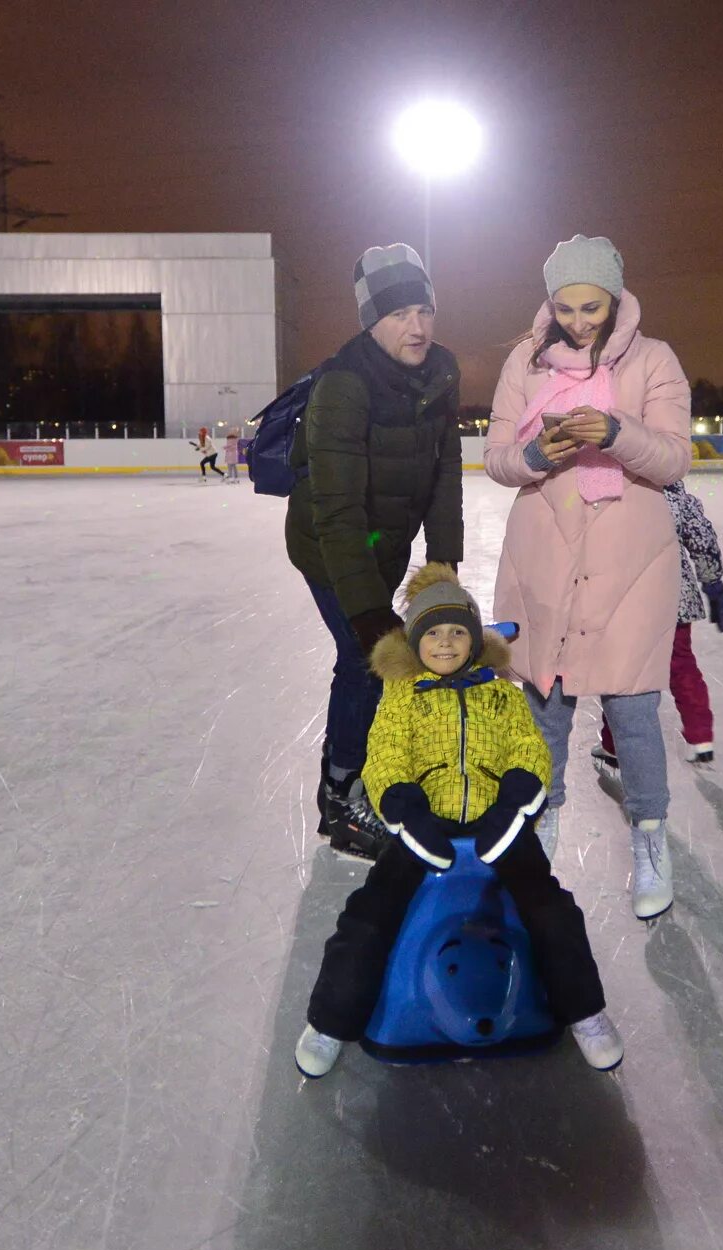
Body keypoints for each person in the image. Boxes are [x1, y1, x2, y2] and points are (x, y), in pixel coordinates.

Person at [293, 564, 622, 1077]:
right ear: (415, 639)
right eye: (434, 633)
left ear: (473, 638)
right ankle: (331, 1021)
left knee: (551, 909)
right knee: (368, 913)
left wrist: (514, 805)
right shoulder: (400, 697)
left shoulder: (501, 692)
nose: (446, 643)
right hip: (423, 826)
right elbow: (384, 757)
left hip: (498, 824)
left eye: (457, 631)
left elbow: (529, 750)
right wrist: (404, 811)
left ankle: (585, 1013)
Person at [484, 235, 692, 920]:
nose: (578, 320)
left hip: (629, 563)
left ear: (615, 296)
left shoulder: (655, 359)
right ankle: (540, 828)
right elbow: (497, 457)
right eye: (566, 307)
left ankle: (650, 839)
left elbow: (671, 459)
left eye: (592, 306)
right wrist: (538, 451)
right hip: (543, 553)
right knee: (544, 706)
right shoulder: (525, 360)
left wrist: (614, 430)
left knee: (632, 712)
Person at [286, 244, 463, 860]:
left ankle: (369, 771)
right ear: (370, 322)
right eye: (398, 316)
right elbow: (337, 515)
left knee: (372, 656)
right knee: (365, 659)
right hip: (332, 545)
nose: (417, 328)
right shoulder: (344, 385)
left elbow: (447, 471)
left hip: (385, 543)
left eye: (424, 310)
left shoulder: (438, 371)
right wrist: (366, 614)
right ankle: (340, 796)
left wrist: (444, 565)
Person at [592, 480, 723, 770]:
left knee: (622, 675)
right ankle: (701, 736)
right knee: (682, 667)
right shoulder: (676, 495)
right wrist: (713, 581)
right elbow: (703, 541)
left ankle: (613, 744)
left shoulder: (615, 490)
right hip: (674, 599)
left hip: (627, 603)